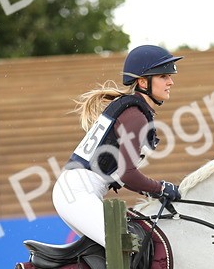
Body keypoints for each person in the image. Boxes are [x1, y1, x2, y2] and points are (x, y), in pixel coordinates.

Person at [53, 45, 184, 250]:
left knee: (121, 249)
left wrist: (156, 191)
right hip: (77, 194)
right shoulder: (135, 116)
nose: (170, 82)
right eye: (163, 76)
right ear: (143, 82)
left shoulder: (132, 110)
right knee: (128, 247)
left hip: (76, 191)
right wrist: (160, 188)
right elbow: (127, 174)